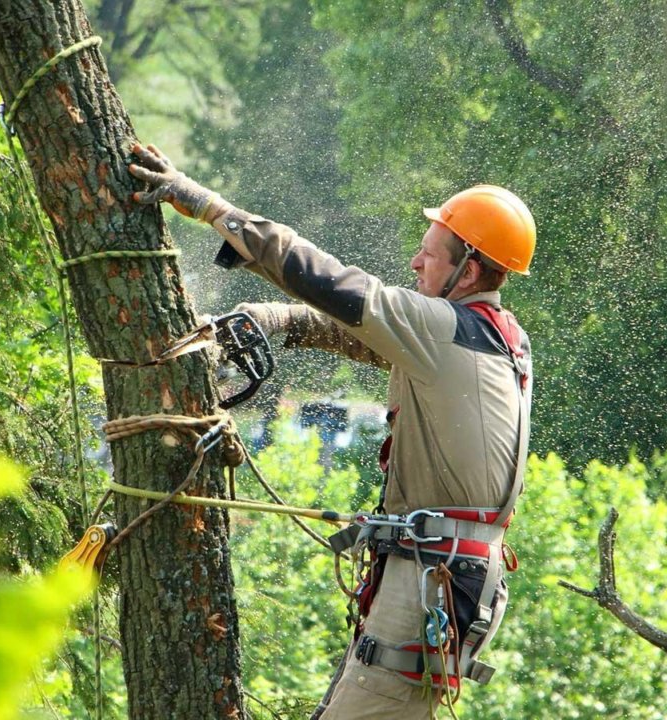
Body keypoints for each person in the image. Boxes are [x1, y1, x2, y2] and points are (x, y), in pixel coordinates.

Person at [129, 143, 535, 719]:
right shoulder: (496, 337)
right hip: (445, 572)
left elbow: (332, 282)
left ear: (468, 270)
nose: (416, 265)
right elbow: (358, 332)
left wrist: (212, 207)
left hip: (432, 576)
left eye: (430, 256)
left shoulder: (443, 330)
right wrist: (282, 321)